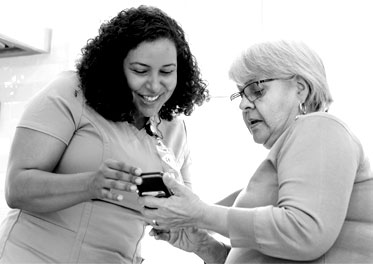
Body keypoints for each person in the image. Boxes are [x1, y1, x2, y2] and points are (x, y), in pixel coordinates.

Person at [0, 5, 208, 264]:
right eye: (140, 71)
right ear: (116, 67)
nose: (154, 85)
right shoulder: (72, 92)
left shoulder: (174, 129)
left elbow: (185, 214)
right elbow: (17, 188)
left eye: (166, 72)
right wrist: (89, 185)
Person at [139, 40, 373, 263]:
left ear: (300, 89)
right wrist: (204, 245)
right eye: (241, 94)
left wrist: (200, 214)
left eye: (257, 90)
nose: (243, 104)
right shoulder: (296, 155)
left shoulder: (321, 127)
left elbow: (304, 232)